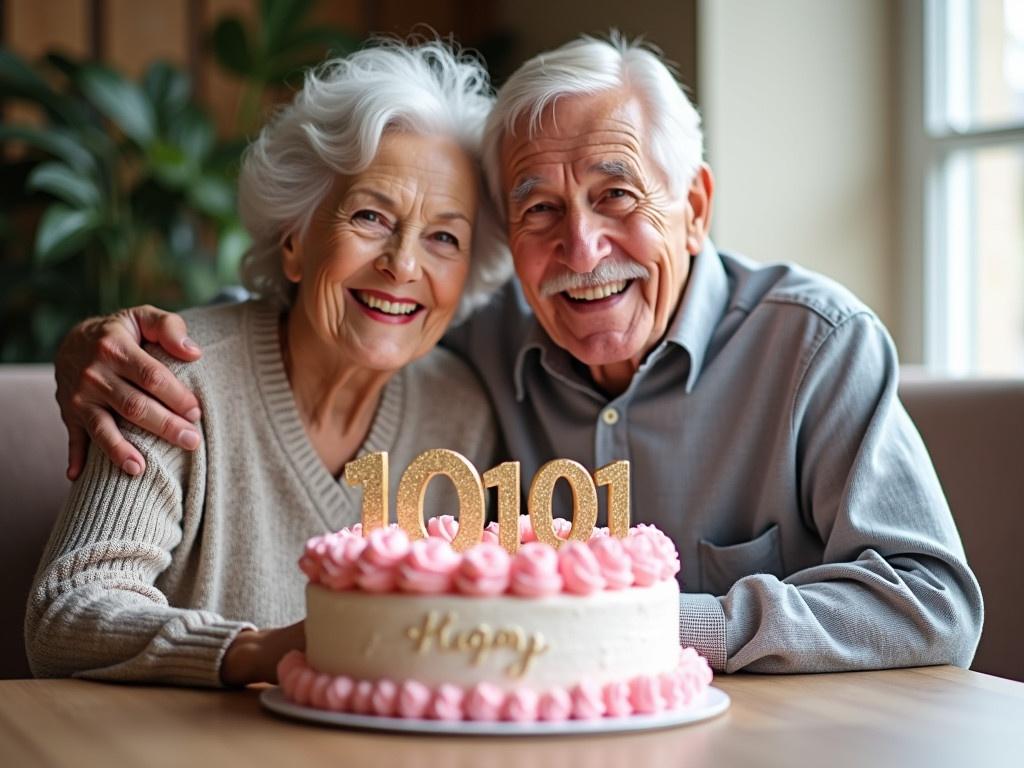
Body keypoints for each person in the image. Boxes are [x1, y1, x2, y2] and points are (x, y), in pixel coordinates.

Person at [49, 34, 983, 674]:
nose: (580, 251)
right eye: (539, 209)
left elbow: (936, 600)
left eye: (618, 196)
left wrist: (651, 625)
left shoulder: (811, 346)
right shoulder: (444, 357)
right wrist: (89, 343)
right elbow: (73, 608)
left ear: (695, 208)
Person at [26, 40, 510, 687]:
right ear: (294, 241)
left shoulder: (463, 412)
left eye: (444, 237)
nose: (403, 265)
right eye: (370, 216)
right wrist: (260, 652)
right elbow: (65, 612)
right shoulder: (175, 376)